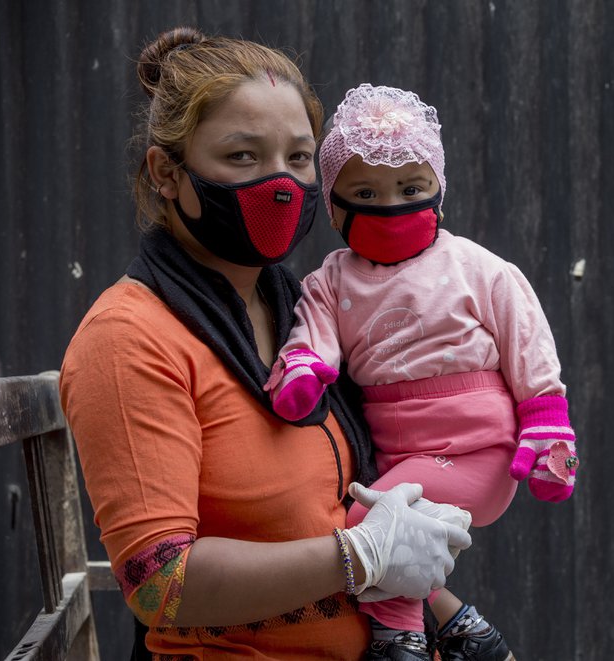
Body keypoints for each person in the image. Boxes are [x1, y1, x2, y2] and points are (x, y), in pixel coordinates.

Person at [58, 28, 472, 660]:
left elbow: (344, 514)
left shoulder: (305, 312)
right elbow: (159, 583)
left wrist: (465, 625)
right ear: (167, 173)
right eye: (243, 157)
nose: (279, 183)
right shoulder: (130, 338)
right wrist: (359, 556)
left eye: (298, 158)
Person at [263, 83, 581, 661]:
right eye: (366, 192)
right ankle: (463, 628)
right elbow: (314, 332)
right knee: (392, 521)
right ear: (335, 207)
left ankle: (400, 635)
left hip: (481, 454)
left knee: (369, 519)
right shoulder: (333, 280)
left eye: (410, 188)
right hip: (403, 456)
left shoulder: (476, 268)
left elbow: (528, 344)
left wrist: (549, 432)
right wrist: (303, 369)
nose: (390, 206)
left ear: (437, 191)